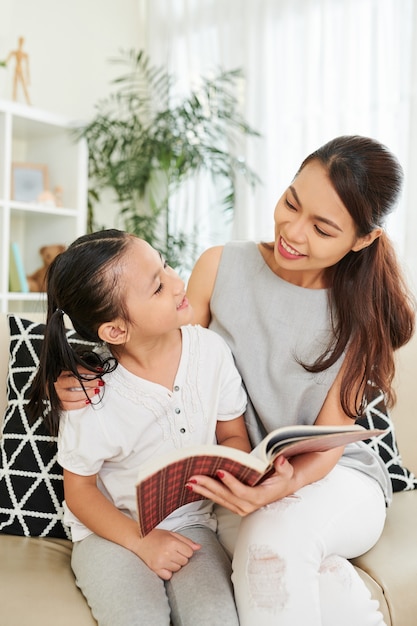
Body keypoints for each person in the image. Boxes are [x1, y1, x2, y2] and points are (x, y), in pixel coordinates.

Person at [54, 136, 416, 625]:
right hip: (234, 483)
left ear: (362, 239)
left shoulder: (364, 311)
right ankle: (338, 588)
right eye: (291, 201)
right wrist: (78, 371)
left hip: (332, 478)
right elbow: (159, 347)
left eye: (323, 228)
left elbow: (330, 446)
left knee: (271, 548)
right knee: (297, 566)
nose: (292, 230)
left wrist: (282, 486)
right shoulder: (221, 265)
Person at [28, 229, 251, 626]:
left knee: (215, 617)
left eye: (164, 265)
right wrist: (142, 541)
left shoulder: (211, 352)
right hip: (110, 535)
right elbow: (79, 493)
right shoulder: (90, 391)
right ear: (115, 330)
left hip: (192, 524)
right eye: (157, 287)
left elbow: (233, 435)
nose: (178, 281)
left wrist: (239, 473)